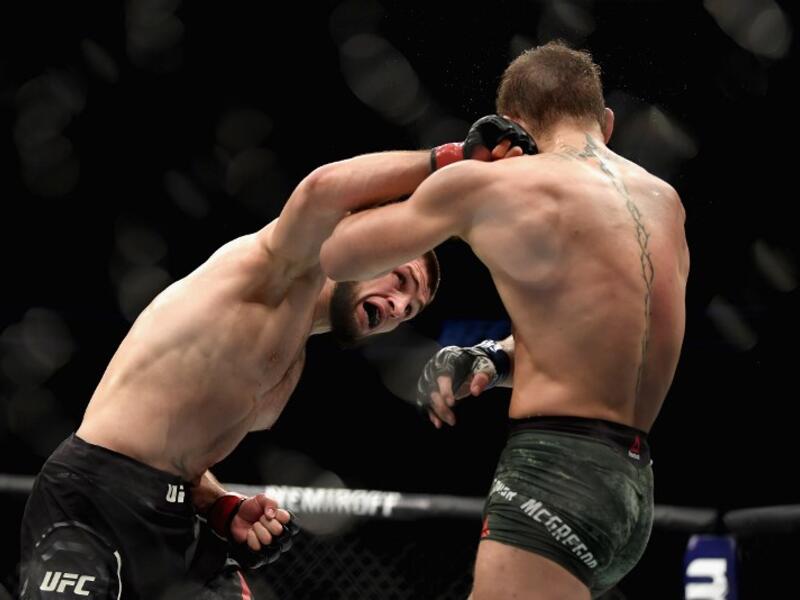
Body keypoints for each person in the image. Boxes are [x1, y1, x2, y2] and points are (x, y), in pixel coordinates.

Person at [320, 40, 689, 599]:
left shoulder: (493, 184)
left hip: (553, 473)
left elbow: (339, 257)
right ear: (606, 122)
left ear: (511, 125)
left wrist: (455, 160)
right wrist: (491, 357)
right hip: (631, 489)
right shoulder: (665, 200)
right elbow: (604, 343)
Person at [18, 145, 453, 598]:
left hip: (177, 519)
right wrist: (450, 160)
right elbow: (321, 191)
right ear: (366, 248)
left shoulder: (295, 354)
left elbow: (180, 455)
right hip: (95, 499)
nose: (400, 306)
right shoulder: (277, 271)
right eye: (400, 280)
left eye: (411, 310)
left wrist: (222, 506)